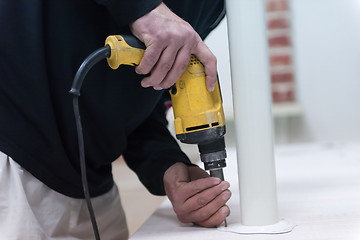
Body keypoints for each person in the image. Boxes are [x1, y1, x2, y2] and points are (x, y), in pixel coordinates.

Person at [0, 0, 230, 239]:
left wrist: (167, 167)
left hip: (92, 183)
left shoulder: (213, 6)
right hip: (14, 163)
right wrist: (146, 9)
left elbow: (141, 97)